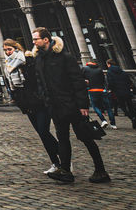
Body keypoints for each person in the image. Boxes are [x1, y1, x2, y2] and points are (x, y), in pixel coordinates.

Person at [29, 27, 109, 184]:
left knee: (85, 137)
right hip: (55, 105)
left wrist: (83, 105)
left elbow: (77, 81)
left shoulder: (65, 57)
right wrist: (45, 99)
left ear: (46, 40)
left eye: (36, 39)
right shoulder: (39, 59)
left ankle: (100, 170)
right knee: (63, 137)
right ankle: (65, 171)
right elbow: (40, 82)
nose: (33, 42)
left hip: (71, 104)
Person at [4, 38, 59, 171]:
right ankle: (56, 162)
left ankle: (63, 156)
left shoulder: (27, 61)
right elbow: (13, 87)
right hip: (27, 104)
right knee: (42, 134)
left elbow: (37, 80)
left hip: (39, 102)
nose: (7, 52)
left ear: (16, 49)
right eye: (5, 50)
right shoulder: (8, 65)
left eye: (9, 49)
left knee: (43, 131)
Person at [104, 60, 136, 130]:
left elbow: (110, 82)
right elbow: (128, 81)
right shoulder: (122, 71)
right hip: (126, 90)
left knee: (122, 106)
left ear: (109, 64)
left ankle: (131, 117)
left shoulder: (109, 72)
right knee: (130, 105)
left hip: (117, 91)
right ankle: (134, 117)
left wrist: (109, 89)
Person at [82, 60, 114, 128]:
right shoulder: (99, 69)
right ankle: (113, 124)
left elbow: (81, 78)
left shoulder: (85, 69)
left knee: (95, 106)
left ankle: (103, 120)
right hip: (102, 89)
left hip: (92, 89)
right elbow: (103, 80)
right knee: (108, 107)